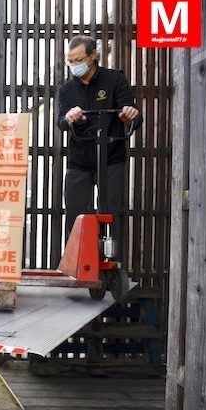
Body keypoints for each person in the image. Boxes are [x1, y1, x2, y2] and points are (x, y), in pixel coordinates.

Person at [57, 35, 142, 260]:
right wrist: (69, 117)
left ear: (93, 55)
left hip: (111, 157)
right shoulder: (67, 90)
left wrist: (129, 115)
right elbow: (61, 122)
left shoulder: (114, 80)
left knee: (110, 212)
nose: (75, 66)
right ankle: (80, 260)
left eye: (79, 60)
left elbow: (132, 115)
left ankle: (110, 261)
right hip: (80, 159)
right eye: (70, 61)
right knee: (76, 213)